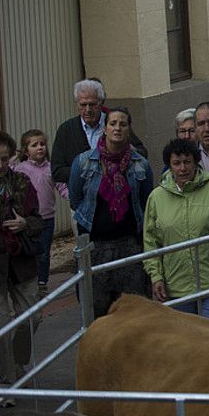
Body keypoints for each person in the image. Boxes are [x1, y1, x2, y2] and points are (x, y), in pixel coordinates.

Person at [142, 138, 209, 320]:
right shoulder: (156, 197)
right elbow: (151, 241)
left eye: (187, 162)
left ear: (195, 163)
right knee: (189, 339)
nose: (182, 168)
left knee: (208, 331)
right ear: (169, 166)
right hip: (177, 285)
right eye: (176, 163)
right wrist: (156, 276)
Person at [66, 109, 153, 318]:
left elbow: (147, 201)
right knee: (96, 312)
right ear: (105, 128)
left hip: (129, 245)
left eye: (123, 124)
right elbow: (76, 198)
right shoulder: (83, 162)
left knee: (135, 311)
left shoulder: (141, 164)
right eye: (113, 123)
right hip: (96, 247)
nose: (117, 128)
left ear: (129, 129)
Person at [0, 130, 44, 385]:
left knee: (32, 317)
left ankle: (19, 361)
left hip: (21, 261)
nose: (0, 165)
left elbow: (38, 221)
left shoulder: (22, 182)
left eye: (4, 159)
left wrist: (26, 224)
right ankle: (9, 382)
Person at [50, 79, 145, 187]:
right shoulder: (66, 130)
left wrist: (131, 153)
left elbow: (142, 153)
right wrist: (89, 170)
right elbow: (56, 172)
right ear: (77, 104)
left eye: (92, 104)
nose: (88, 110)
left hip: (118, 193)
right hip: (84, 198)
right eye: (83, 105)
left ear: (101, 103)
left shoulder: (114, 125)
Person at [12, 131, 63, 297]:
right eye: (34, 145)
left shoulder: (51, 168)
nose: (40, 147)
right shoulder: (20, 169)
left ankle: (42, 283)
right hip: (28, 220)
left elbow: (62, 186)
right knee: (29, 251)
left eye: (42, 144)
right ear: (26, 151)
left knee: (44, 252)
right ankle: (29, 281)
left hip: (47, 219)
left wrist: (74, 197)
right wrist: (11, 161)